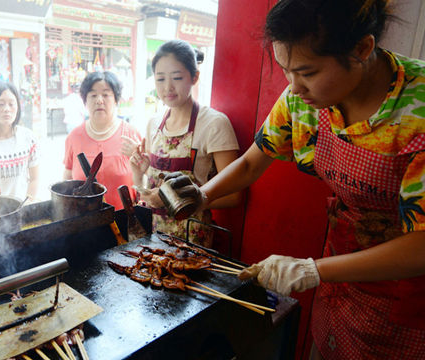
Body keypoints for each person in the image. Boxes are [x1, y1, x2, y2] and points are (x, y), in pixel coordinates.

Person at [165, 1, 425, 358]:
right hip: (342, 269)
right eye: (286, 70)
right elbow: (251, 163)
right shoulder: (301, 100)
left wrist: (311, 270)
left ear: (362, 48)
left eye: (307, 72)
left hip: (409, 285)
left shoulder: (418, 111)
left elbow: (421, 244)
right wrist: (203, 195)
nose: (294, 86)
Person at [127, 40, 240, 247]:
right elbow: (147, 194)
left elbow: (234, 195)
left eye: (177, 78)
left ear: (194, 77)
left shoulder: (214, 123)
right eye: (160, 79)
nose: (167, 87)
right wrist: (140, 172)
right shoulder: (154, 124)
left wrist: (174, 198)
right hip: (153, 238)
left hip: (192, 241)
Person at [63, 71, 141, 210]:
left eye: (106, 94)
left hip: (125, 222)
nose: (99, 100)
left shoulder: (131, 135)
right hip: (85, 223)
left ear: (116, 100)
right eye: (93, 95)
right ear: (85, 100)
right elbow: (67, 180)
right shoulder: (74, 137)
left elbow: (143, 180)